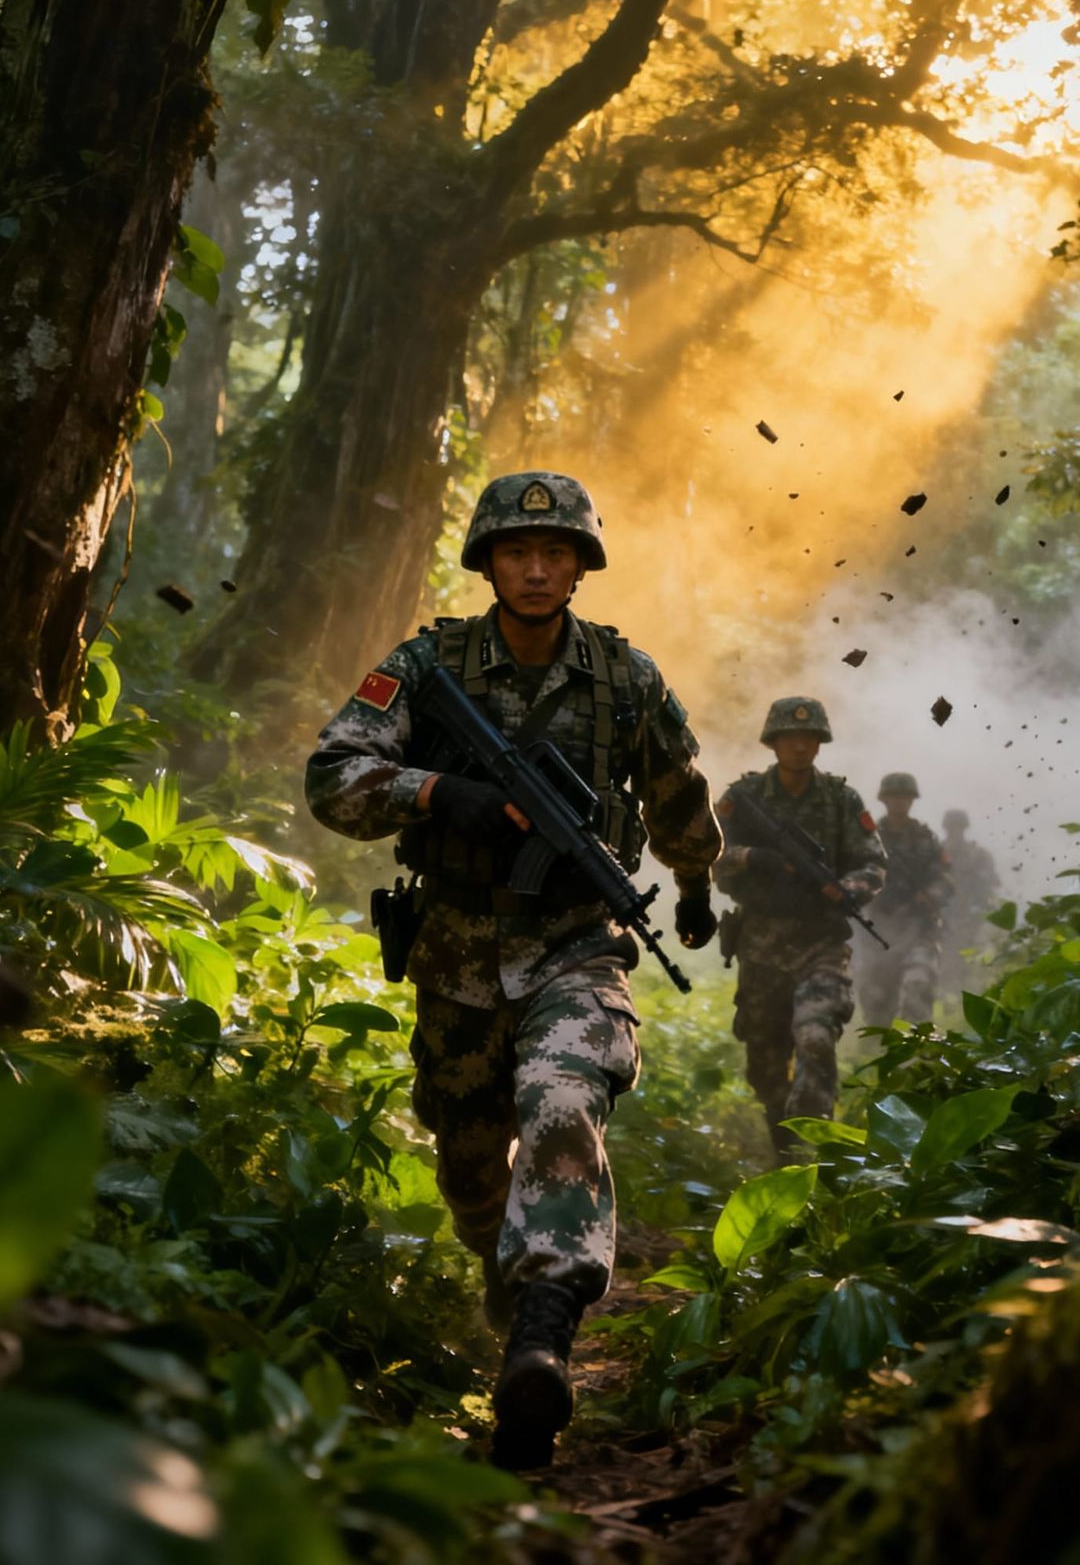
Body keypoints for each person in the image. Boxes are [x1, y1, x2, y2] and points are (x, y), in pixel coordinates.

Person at [304, 471, 722, 1469]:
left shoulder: (626, 679)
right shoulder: (425, 663)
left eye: (556, 552)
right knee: (466, 1158)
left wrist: (696, 880)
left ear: (582, 565)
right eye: (517, 551)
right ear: (486, 561)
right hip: (455, 952)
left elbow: (677, 793)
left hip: (579, 940)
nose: (536, 568)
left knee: (563, 1101)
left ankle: (541, 1338)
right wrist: (441, 791)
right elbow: (332, 777)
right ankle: (510, 1284)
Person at [713, 698, 885, 1151]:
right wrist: (753, 858)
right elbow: (703, 852)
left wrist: (846, 889)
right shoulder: (743, 798)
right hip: (760, 945)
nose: (799, 746)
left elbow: (872, 863)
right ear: (773, 742)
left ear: (819, 742)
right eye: (789, 737)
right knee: (765, 1065)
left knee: (814, 1038)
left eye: (808, 738)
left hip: (820, 944)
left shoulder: (841, 800)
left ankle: (817, 1148)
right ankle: (784, 1150)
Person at [854, 772, 950, 1027]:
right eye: (893, 797)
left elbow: (945, 880)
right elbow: (852, 875)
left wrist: (929, 895)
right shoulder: (868, 839)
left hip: (919, 928)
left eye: (904, 797)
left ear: (912, 800)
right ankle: (877, 1053)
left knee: (917, 985)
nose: (898, 802)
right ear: (884, 800)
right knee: (876, 999)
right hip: (880, 929)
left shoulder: (926, 839)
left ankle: (917, 1054)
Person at [940, 807, 1000, 998]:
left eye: (958, 827)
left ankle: (966, 998)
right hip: (942, 918)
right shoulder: (936, 855)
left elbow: (989, 886)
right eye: (952, 828)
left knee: (973, 964)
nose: (955, 832)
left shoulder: (979, 856)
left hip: (971, 918)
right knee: (944, 964)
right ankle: (948, 1001)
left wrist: (979, 912)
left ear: (964, 829)